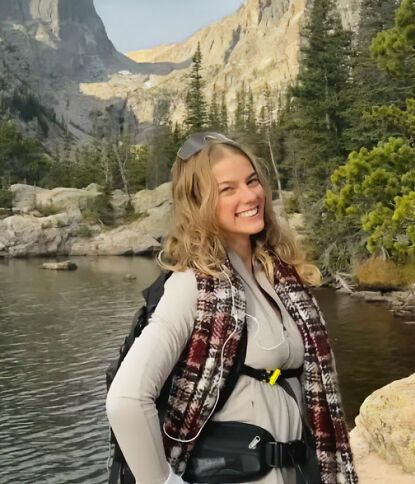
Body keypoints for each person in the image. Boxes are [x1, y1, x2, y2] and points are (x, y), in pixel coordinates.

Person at [106, 132, 358, 484]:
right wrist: (162, 482)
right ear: (199, 202)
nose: (250, 195)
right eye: (228, 189)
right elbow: (127, 399)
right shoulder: (193, 285)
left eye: (252, 181)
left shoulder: (279, 274)